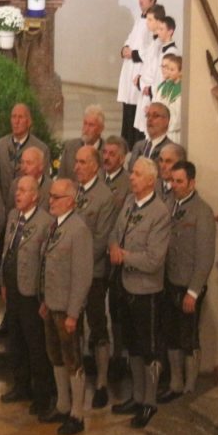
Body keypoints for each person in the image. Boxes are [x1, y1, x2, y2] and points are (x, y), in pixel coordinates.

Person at [109, 158, 171, 429]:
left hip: (146, 290)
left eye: (136, 174)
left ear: (150, 180)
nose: (131, 177)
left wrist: (124, 256)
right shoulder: (129, 204)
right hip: (124, 285)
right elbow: (115, 233)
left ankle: (149, 402)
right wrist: (113, 247)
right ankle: (136, 396)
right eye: (131, 173)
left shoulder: (159, 213)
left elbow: (155, 259)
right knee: (132, 345)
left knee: (149, 348)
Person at [39, 179, 93, 435]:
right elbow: (47, 265)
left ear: (70, 200)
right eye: (50, 196)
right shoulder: (54, 226)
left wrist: (73, 312)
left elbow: (82, 275)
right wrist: (44, 301)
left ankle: (77, 414)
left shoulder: (78, 229)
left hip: (67, 308)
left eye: (56, 197)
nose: (51, 200)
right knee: (55, 356)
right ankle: (62, 404)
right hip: (52, 304)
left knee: (73, 360)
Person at [160, 161, 217, 404]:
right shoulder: (168, 204)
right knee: (171, 334)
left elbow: (205, 256)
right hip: (169, 281)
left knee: (188, 336)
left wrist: (193, 292)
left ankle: (190, 387)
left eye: (179, 181)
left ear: (192, 183)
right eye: (172, 181)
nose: (174, 186)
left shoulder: (202, 211)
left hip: (189, 286)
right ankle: (175, 382)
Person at [0, 177, 54, 419]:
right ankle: (20, 385)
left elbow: (46, 263)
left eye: (23, 190)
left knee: (36, 345)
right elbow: (6, 250)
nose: (17, 194)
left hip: (31, 292)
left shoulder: (45, 222)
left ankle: (42, 395)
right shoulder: (13, 216)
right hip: (12, 289)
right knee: (16, 341)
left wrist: (45, 297)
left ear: (35, 195)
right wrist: (2, 281)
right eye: (17, 189)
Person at [71, 146, 118, 409]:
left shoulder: (104, 197)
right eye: (76, 162)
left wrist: (78, 260)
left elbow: (102, 239)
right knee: (72, 325)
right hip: (71, 273)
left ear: (95, 166)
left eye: (82, 162)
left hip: (94, 273)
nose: (76, 166)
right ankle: (76, 376)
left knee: (98, 326)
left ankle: (101, 381)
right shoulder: (74, 190)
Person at [117, 0, 157, 145]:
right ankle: (125, 142)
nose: (141, 0)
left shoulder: (152, 22)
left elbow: (151, 49)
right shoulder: (140, 19)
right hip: (129, 69)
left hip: (139, 69)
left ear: (153, 0)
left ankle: (134, 144)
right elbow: (131, 39)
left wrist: (133, 53)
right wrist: (124, 49)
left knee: (136, 110)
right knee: (128, 108)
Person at [0, 103, 49, 200]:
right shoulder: (1, 145)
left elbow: (44, 183)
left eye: (20, 117)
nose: (16, 121)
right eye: (13, 117)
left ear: (29, 122)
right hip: (5, 204)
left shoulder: (41, 148)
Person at [57, 105, 106, 181]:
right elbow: (61, 178)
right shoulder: (70, 147)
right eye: (85, 124)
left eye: (91, 125)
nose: (86, 129)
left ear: (101, 129)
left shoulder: (106, 152)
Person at [129, 102, 172, 167]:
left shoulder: (171, 149)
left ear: (166, 121)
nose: (150, 119)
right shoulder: (138, 146)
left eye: (155, 116)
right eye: (148, 115)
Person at [155, 54, 183, 144]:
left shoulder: (181, 90)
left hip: (173, 132)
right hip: (163, 129)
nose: (169, 72)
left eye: (172, 70)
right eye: (168, 69)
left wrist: (165, 123)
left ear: (181, 72)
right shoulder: (167, 86)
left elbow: (178, 114)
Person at [102, 135, 132, 211]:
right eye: (105, 152)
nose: (106, 157)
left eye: (111, 154)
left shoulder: (129, 183)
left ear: (122, 159)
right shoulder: (95, 175)